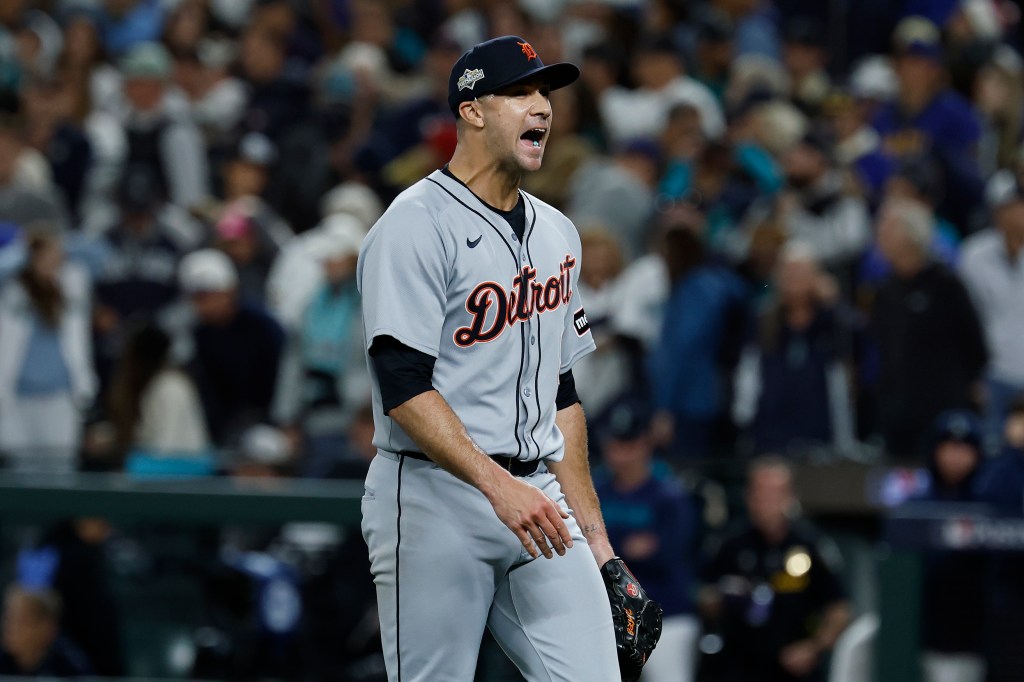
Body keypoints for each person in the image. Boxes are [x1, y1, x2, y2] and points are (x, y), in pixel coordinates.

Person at [357, 35, 650, 680]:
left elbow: (562, 392)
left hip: (540, 498)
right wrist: (496, 485)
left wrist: (599, 544)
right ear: (472, 110)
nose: (541, 107)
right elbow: (402, 387)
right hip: (433, 495)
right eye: (519, 92)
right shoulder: (413, 225)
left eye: (546, 92)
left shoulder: (557, 231)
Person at [700, 457, 850, 682]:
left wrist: (812, 648)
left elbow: (840, 611)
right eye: (759, 494)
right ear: (748, 496)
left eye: (774, 494)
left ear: (790, 497)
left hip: (794, 666)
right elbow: (704, 596)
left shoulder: (810, 544)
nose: (766, 503)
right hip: (738, 664)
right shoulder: (729, 542)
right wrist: (724, 597)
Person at [870, 198, 988, 458]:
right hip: (897, 413)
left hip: (942, 411)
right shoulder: (884, 290)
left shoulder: (946, 285)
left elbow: (975, 344)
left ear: (910, 235)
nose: (879, 234)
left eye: (888, 227)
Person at [593, 397, 702, 682]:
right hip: (608, 617)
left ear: (645, 443)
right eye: (615, 445)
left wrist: (611, 552)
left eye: (629, 444)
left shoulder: (669, 493)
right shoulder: (595, 491)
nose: (621, 454)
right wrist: (626, 550)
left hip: (665, 613)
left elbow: (668, 553)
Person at [0, 230, 95, 473]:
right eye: (43, 257)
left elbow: (93, 257)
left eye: (56, 256)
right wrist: (24, 253)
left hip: (59, 395)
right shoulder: (12, 288)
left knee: (60, 467)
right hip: (18, 395)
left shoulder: (72, 284)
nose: (51, 262)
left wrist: (57, 247)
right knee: (22, 469)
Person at [179, 248, 284, 447]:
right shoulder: (197, 334)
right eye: (198, 298)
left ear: (230, 291)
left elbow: (281, 377)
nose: (205, 305)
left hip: (265, 422)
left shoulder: (263, 327)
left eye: (209, 295)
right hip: (216, 429)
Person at [913, 410, 987, 682]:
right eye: (949, 448)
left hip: (972, 641)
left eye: (964, 449)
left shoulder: (987, 502)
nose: (956, 458)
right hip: (922, 636)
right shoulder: (917, 505)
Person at [959, 171, 1024, 454]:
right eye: (1011, 206)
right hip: (993, 374)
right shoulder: (974, 255)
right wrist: (972, 375)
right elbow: (964, 322)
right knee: (992, 451)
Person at [0, 583, 91, 677]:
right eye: (8, 618)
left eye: (21, 621)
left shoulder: (71, 669)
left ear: (48, 628)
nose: (9, 627)